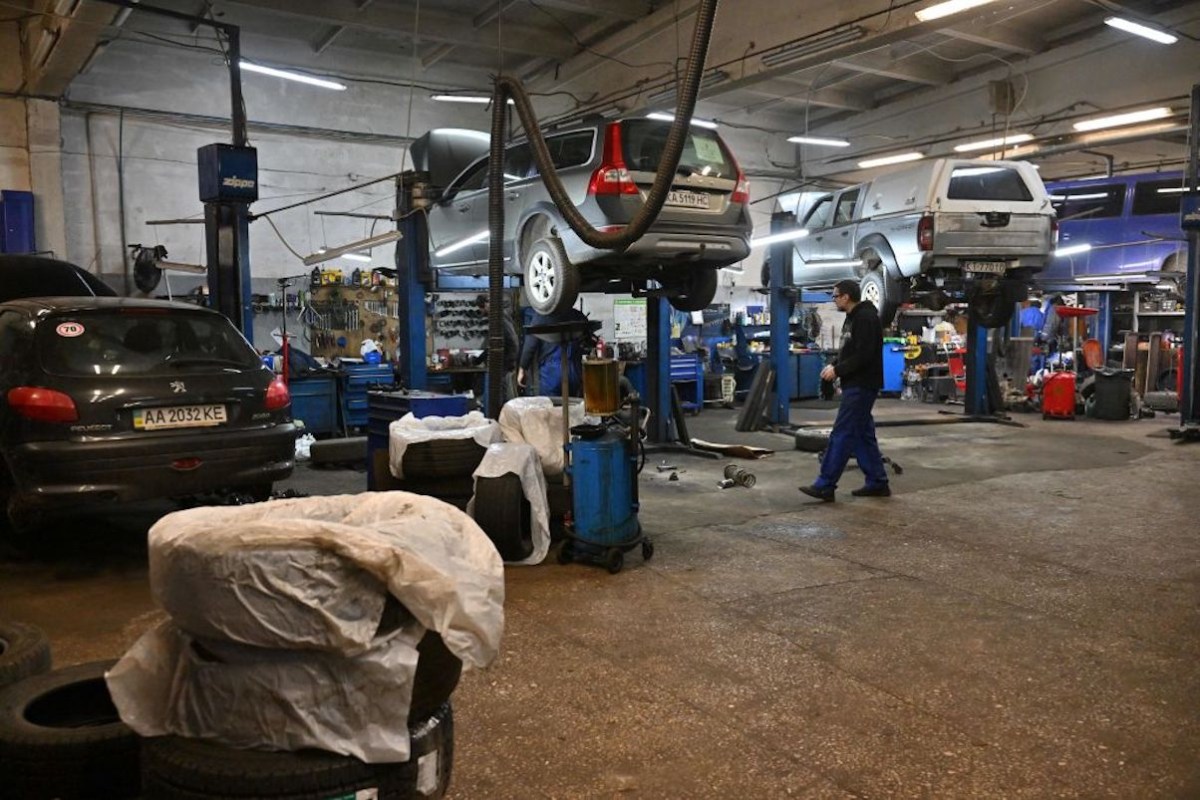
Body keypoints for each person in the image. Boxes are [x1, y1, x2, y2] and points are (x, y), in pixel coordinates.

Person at [800, 279, 889, 502]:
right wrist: (835, 365)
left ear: (846, 297)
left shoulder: (866, 318)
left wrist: (838, 370)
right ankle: (877, 481)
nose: (834, 299)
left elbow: (864, 354)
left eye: (835, 295)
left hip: (862, 384)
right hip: (855, 383)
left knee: (842, 433)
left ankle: (825, 484)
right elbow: (850, 350)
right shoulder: (852, 318)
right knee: (862, 434)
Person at [517, 306, 590, 397]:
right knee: (573, 406)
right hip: (573, 369)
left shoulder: (541, 317)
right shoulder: (577, 315)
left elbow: (530, 345)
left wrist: (522, 369)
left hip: (551, 372)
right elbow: (588, 341)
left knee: (550, 406)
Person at [478, 294, 520, 403]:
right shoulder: (502, 315)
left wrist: (478, 359)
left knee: (501, 394)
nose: (483, 313)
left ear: (486, 305)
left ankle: (501, 415)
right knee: (501, 391)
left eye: (482, 308)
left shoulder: (498, 319)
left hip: (505, 361)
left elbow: (500, 341)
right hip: (507, 360)